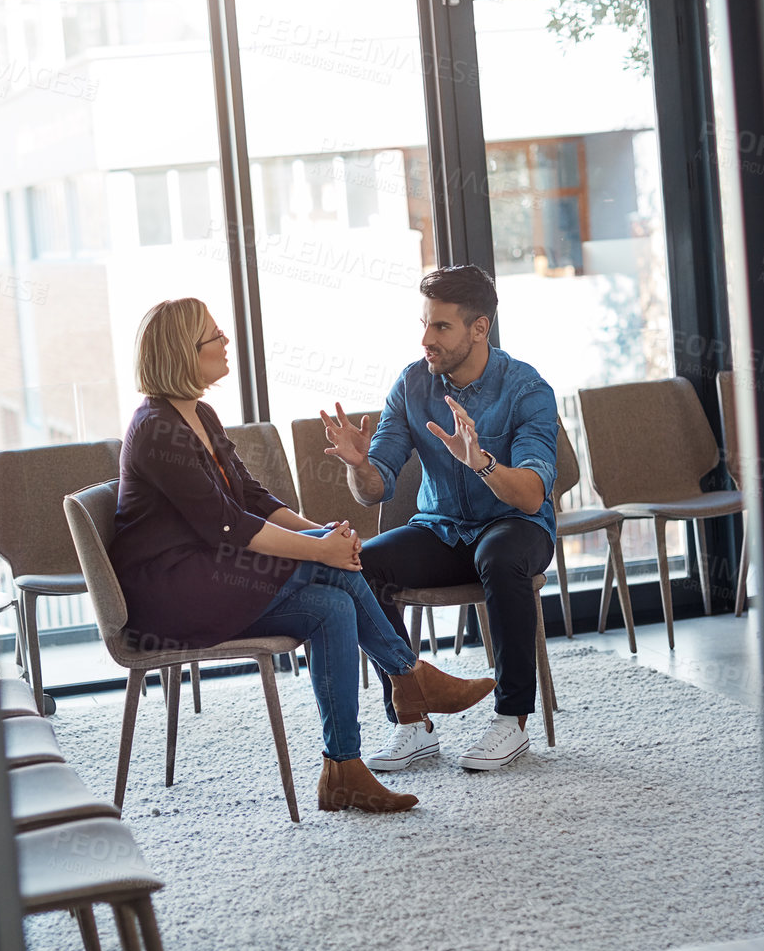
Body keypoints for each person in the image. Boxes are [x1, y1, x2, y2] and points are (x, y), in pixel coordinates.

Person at [109, 298, 496, 813]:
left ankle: (344, 770)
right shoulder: (155, 429)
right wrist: (323, 549)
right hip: (172, 594)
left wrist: (321, 533)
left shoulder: (198, 412)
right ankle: (408, 678)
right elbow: (229, 527)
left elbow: (254, 500)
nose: (226, 341)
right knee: (323, 565)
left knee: (332, 608)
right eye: (214, 337)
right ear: (183, 353)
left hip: (215, 578)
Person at [321, 264, 559, 772]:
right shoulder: (412, 384)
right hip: (443, 530)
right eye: (424, 324)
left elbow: (533, 496)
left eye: (441, 327)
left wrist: (483, 463)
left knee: (499, 555)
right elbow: (375, 489)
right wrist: (360, 465)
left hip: (515, 527)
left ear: (479, 329)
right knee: (361, 563)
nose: (426, 338)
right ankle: (412, 721)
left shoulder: (527, 388)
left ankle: (512, 719)